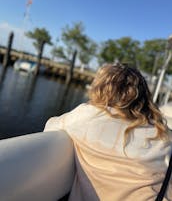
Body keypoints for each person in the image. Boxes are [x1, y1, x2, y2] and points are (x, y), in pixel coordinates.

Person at [44, 63, 172, 201]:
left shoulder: (87, 115)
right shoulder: (164, 134)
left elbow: (50, 126)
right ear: (144, 95)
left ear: (100, 88)